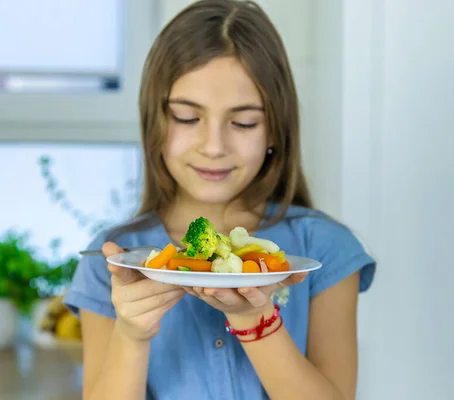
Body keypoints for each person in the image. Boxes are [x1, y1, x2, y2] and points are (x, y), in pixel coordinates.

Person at [63, 1, 376, 399]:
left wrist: (255, 319)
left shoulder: (326, 249)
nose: (214, 146)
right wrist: (131, 334)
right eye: (187, 118)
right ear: (154, 122)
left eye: (244, 122)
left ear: (276, 130)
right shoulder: (113, 263)